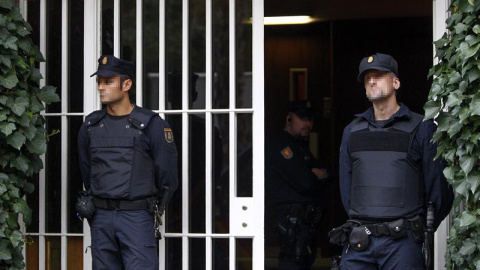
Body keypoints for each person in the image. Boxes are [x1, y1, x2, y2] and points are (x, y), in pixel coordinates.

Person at [335, 53, 454, 269]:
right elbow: (346, 187)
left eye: (379, 75)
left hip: (402, 242)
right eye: (367, 78)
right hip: (360, 241)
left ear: (396, 82)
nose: (371, 81)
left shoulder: (422, 128)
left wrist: (419, 230)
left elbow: (440, 191)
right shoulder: (352, 131)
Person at [77, 55, 178, 270]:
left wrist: (151, 207)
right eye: (99, 82)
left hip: (137, 216)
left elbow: (167, 177)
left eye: (108, 81)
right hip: (101, 217)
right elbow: (87, 172)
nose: (101, 87)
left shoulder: (152, 125)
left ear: (127, 84)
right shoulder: (90, 126)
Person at [265, 100, 328, 270]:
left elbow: (326, 174)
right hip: (291, 222)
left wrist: (320, 174)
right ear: (289, 119)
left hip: (305, 224)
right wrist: (316, 175)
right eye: (302, 119)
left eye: (310, 120)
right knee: (292, 262)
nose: (307, 124)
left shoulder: (300, 145)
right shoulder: (281, 145)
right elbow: (306, 182)